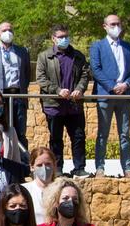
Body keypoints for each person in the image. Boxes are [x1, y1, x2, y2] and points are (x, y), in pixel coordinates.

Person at [36, 24, 91, 178]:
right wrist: (58, 90)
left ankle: (79, 168)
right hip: (54, 106)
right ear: (53, 39)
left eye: (66, 36)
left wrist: (79, 89)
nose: (64, 39)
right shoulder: (44, 56)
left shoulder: (78, 56)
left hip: (74, 106)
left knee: (78, 137)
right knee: (55, 139)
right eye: (60, 37)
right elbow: (41, 78)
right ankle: (57, 169)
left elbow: (85, 75)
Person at [90, 14, 130, 179]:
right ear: (104, 26)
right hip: (106, 95)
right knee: (102, 133)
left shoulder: (128, 46)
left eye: (118, 23)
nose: (116, 27)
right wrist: (112, 86)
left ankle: (127, 168)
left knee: (125, 134)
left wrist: (126, 84)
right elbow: (96, 70)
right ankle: (100, 168)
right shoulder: (97, 46)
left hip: (125, 96)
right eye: (112, 24)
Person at [0, 21, 31, 156]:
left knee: (20, 132)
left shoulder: (22, 52)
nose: (8, 33)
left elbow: (27, 73)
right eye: (4, 30)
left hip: (18, 97)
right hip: (0, 99)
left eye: (10, 30)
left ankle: (23, 164)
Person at [25, 147, 58, 226]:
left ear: (54, 165)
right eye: (39, 165)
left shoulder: (61, 190)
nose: (44, 168)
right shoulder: (25, 190)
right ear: (32, 167)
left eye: (48, 164)